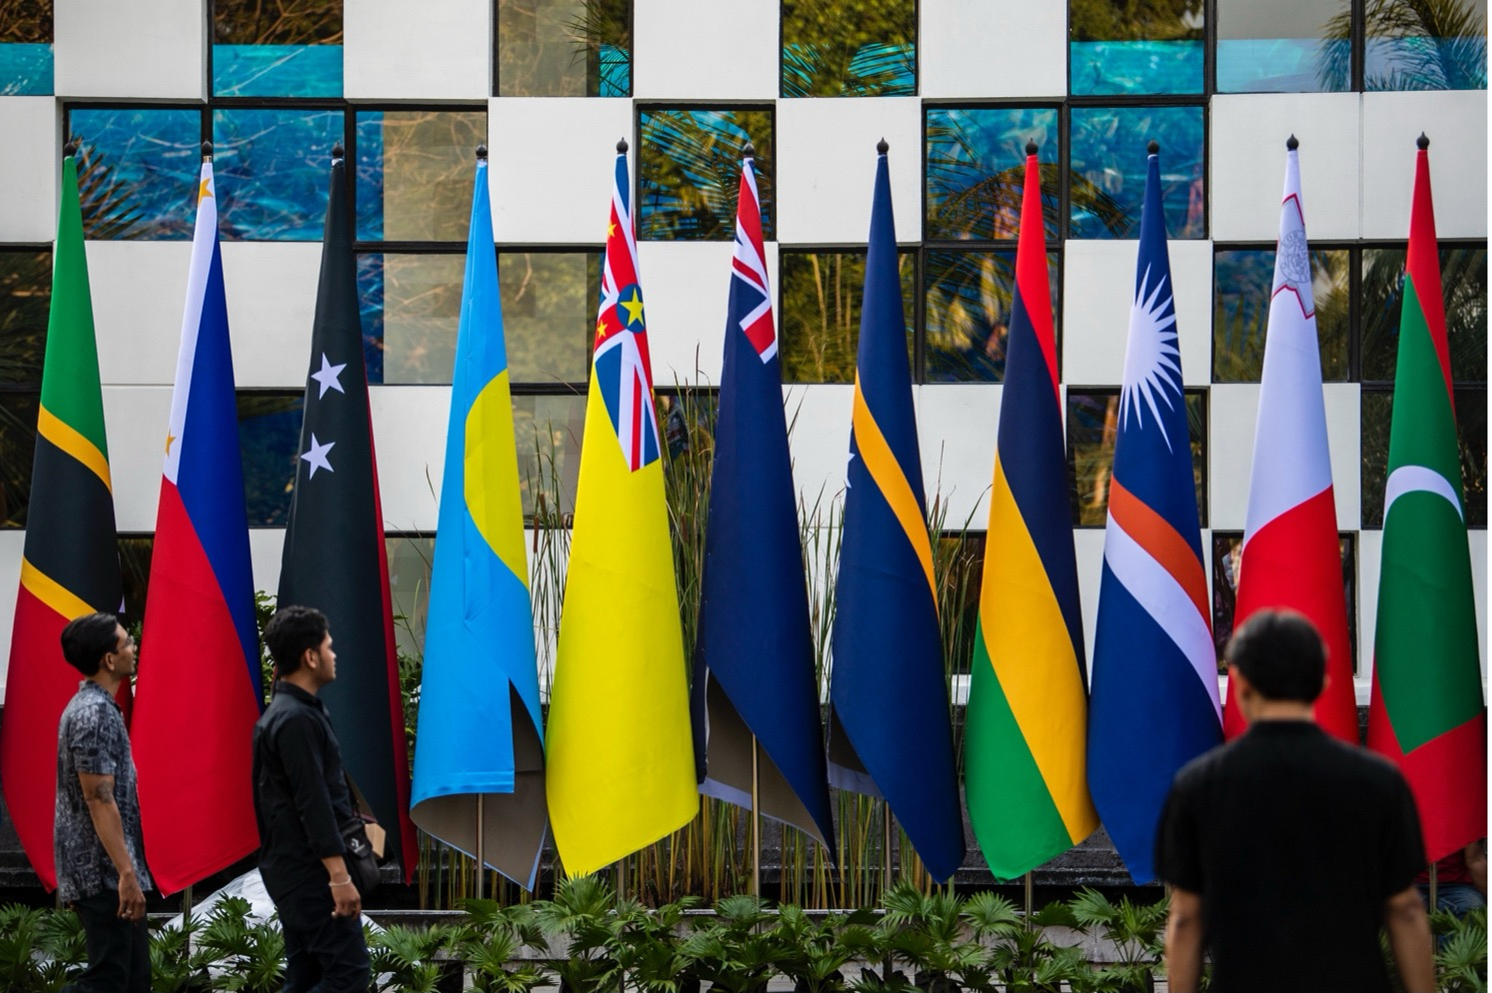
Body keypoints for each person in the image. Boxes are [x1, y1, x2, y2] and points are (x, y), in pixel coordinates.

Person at [1155, 609, 1434, 993]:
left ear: (1241, 682)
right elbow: (1404, 909)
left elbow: (1187, 917)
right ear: (1322, 682)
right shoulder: (1378, 782)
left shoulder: (1197, 786)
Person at [252, 605, 370, 992]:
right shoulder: (295, 719)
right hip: (311, 875)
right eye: (329, 646)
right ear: (310, 656)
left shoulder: (288, 713)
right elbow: (313, 801)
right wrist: (339, 877)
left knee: (307, 977)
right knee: (349, 974)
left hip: (295, 872)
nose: (334, 655)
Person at [54, 611, 152, 993]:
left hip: (109, 871)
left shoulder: (96, 708)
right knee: (109, 981)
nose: (134, 646)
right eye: (127, 641)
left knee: (132, 980)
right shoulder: (94, 714)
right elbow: (98, 798)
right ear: (109, 659)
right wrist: (126, 873)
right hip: (104, 874)